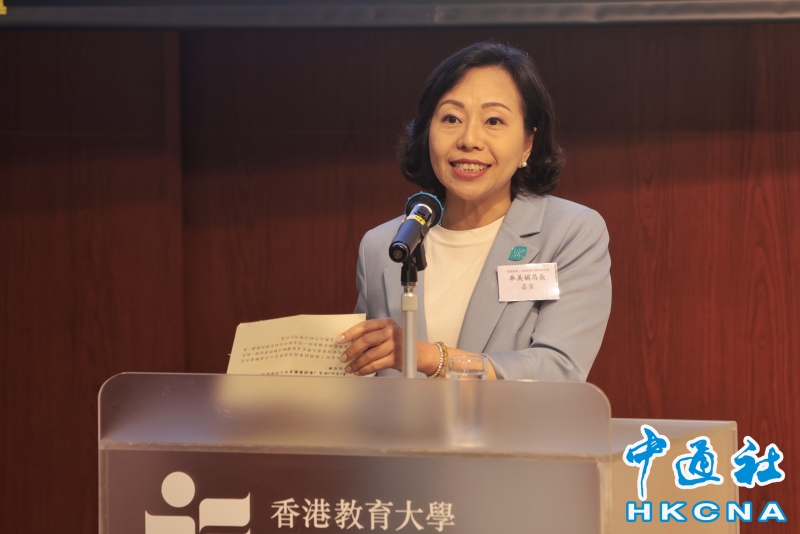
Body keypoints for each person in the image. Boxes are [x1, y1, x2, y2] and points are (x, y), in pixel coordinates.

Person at [336, 41, 611, 381]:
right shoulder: (382, 246)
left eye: (494, 121)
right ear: (427, 132)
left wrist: (430, 357)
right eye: (451, 118)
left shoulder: (570, 232)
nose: (469, 139)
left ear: (527, 143)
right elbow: (363, 378)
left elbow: (559, 370)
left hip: (514, 420)